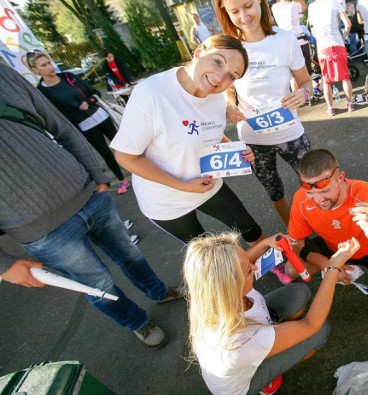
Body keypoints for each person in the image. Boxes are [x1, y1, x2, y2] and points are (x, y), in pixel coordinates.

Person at [0, 64, 182, 349]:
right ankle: (137, 322)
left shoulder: (3, 73)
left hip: (89, 194)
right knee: (98, 286)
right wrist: (4, 264)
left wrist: (97, 173)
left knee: (130, 253)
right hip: (40, 230)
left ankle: (159, 291)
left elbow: (60, 125)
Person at [111, 35, 264, 247]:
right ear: (199, 51)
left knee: (250, 228)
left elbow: (209, 132)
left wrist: (235, 149)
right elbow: (126, 157)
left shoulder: (216, 95)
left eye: (231, 75)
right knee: (210, 255)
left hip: (207, 183)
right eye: (218, 61)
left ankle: (270, 263)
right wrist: (183, 185)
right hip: (166, 200)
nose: (220, 78)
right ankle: (240, 280)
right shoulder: (152, 93)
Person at [184, 232, 360, 395]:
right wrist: (333, 268)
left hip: (253, 336)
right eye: (247, 270)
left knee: (299, 293)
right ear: (230, 284)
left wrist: (266, 244)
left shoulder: (209, 291)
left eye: (248, 261)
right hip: (246, 379)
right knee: (321, 330)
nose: (254, 267)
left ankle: (277, 340)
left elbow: (240, 264)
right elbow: (311, 324)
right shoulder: (240, 342)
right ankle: (267, 377)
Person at [212, 0, 314, 234]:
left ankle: (326, 228)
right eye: (234, 11)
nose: (244, 17)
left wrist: (302, 94)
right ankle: (297, 235)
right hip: (252, 139)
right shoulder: (225, 47)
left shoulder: (285, 39)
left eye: (248, 6)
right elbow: (224, 88)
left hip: (290, 132)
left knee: (316, 182)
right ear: (224, 10)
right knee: (274, 191)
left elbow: (306, 82)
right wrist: (228, 105)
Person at [284, 149, 368, 299]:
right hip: (332, 247)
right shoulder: (301, 199)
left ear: (340, 178)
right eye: (310, 193)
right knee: (292, 269)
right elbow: (297, 243)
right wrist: (329, 265)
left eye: (325, 191)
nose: (318, 200)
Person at [27, 51, 131, 195]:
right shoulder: (42, 92)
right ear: (35, 70)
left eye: (49, 62)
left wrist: (88, 102)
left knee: (121, 145)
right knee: (105, 153)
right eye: (43, 65)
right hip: (84, 126)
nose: (49, 67)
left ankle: (138, 172)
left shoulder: (68, 77)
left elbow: (94, 93)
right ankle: (121, 180)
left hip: (100, 116)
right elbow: (56, 115)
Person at [308, 0, 354, 115]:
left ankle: (330, 108)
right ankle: (350, 104)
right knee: (345, 77)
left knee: (326, 79)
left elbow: (312, 28)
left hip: (323, 47)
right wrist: (343, 36)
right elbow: (348, 24)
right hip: (337, 44)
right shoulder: (334, 3)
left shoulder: (312, 7)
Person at [271, 0, 313, 76]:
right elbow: (304, 6)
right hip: (301, 41)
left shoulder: (274, 8)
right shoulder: (293, 6)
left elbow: (277, 0)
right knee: (307, 74)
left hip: (287, 44)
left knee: (294, 76)